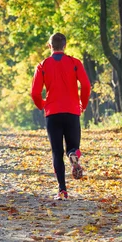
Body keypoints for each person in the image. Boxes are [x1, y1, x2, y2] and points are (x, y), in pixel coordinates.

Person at [31, 33, 91, 200]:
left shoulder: (42, 65)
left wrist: (43, 105)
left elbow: (35, 93)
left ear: (50, 46)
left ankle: (62, 190)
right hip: (72, 112)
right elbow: (86, 85)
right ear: (65, 46)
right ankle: (73, 155)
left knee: (56, 152)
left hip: (52, 114)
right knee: (73, 147)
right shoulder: (75, 62)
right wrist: (83, 104)